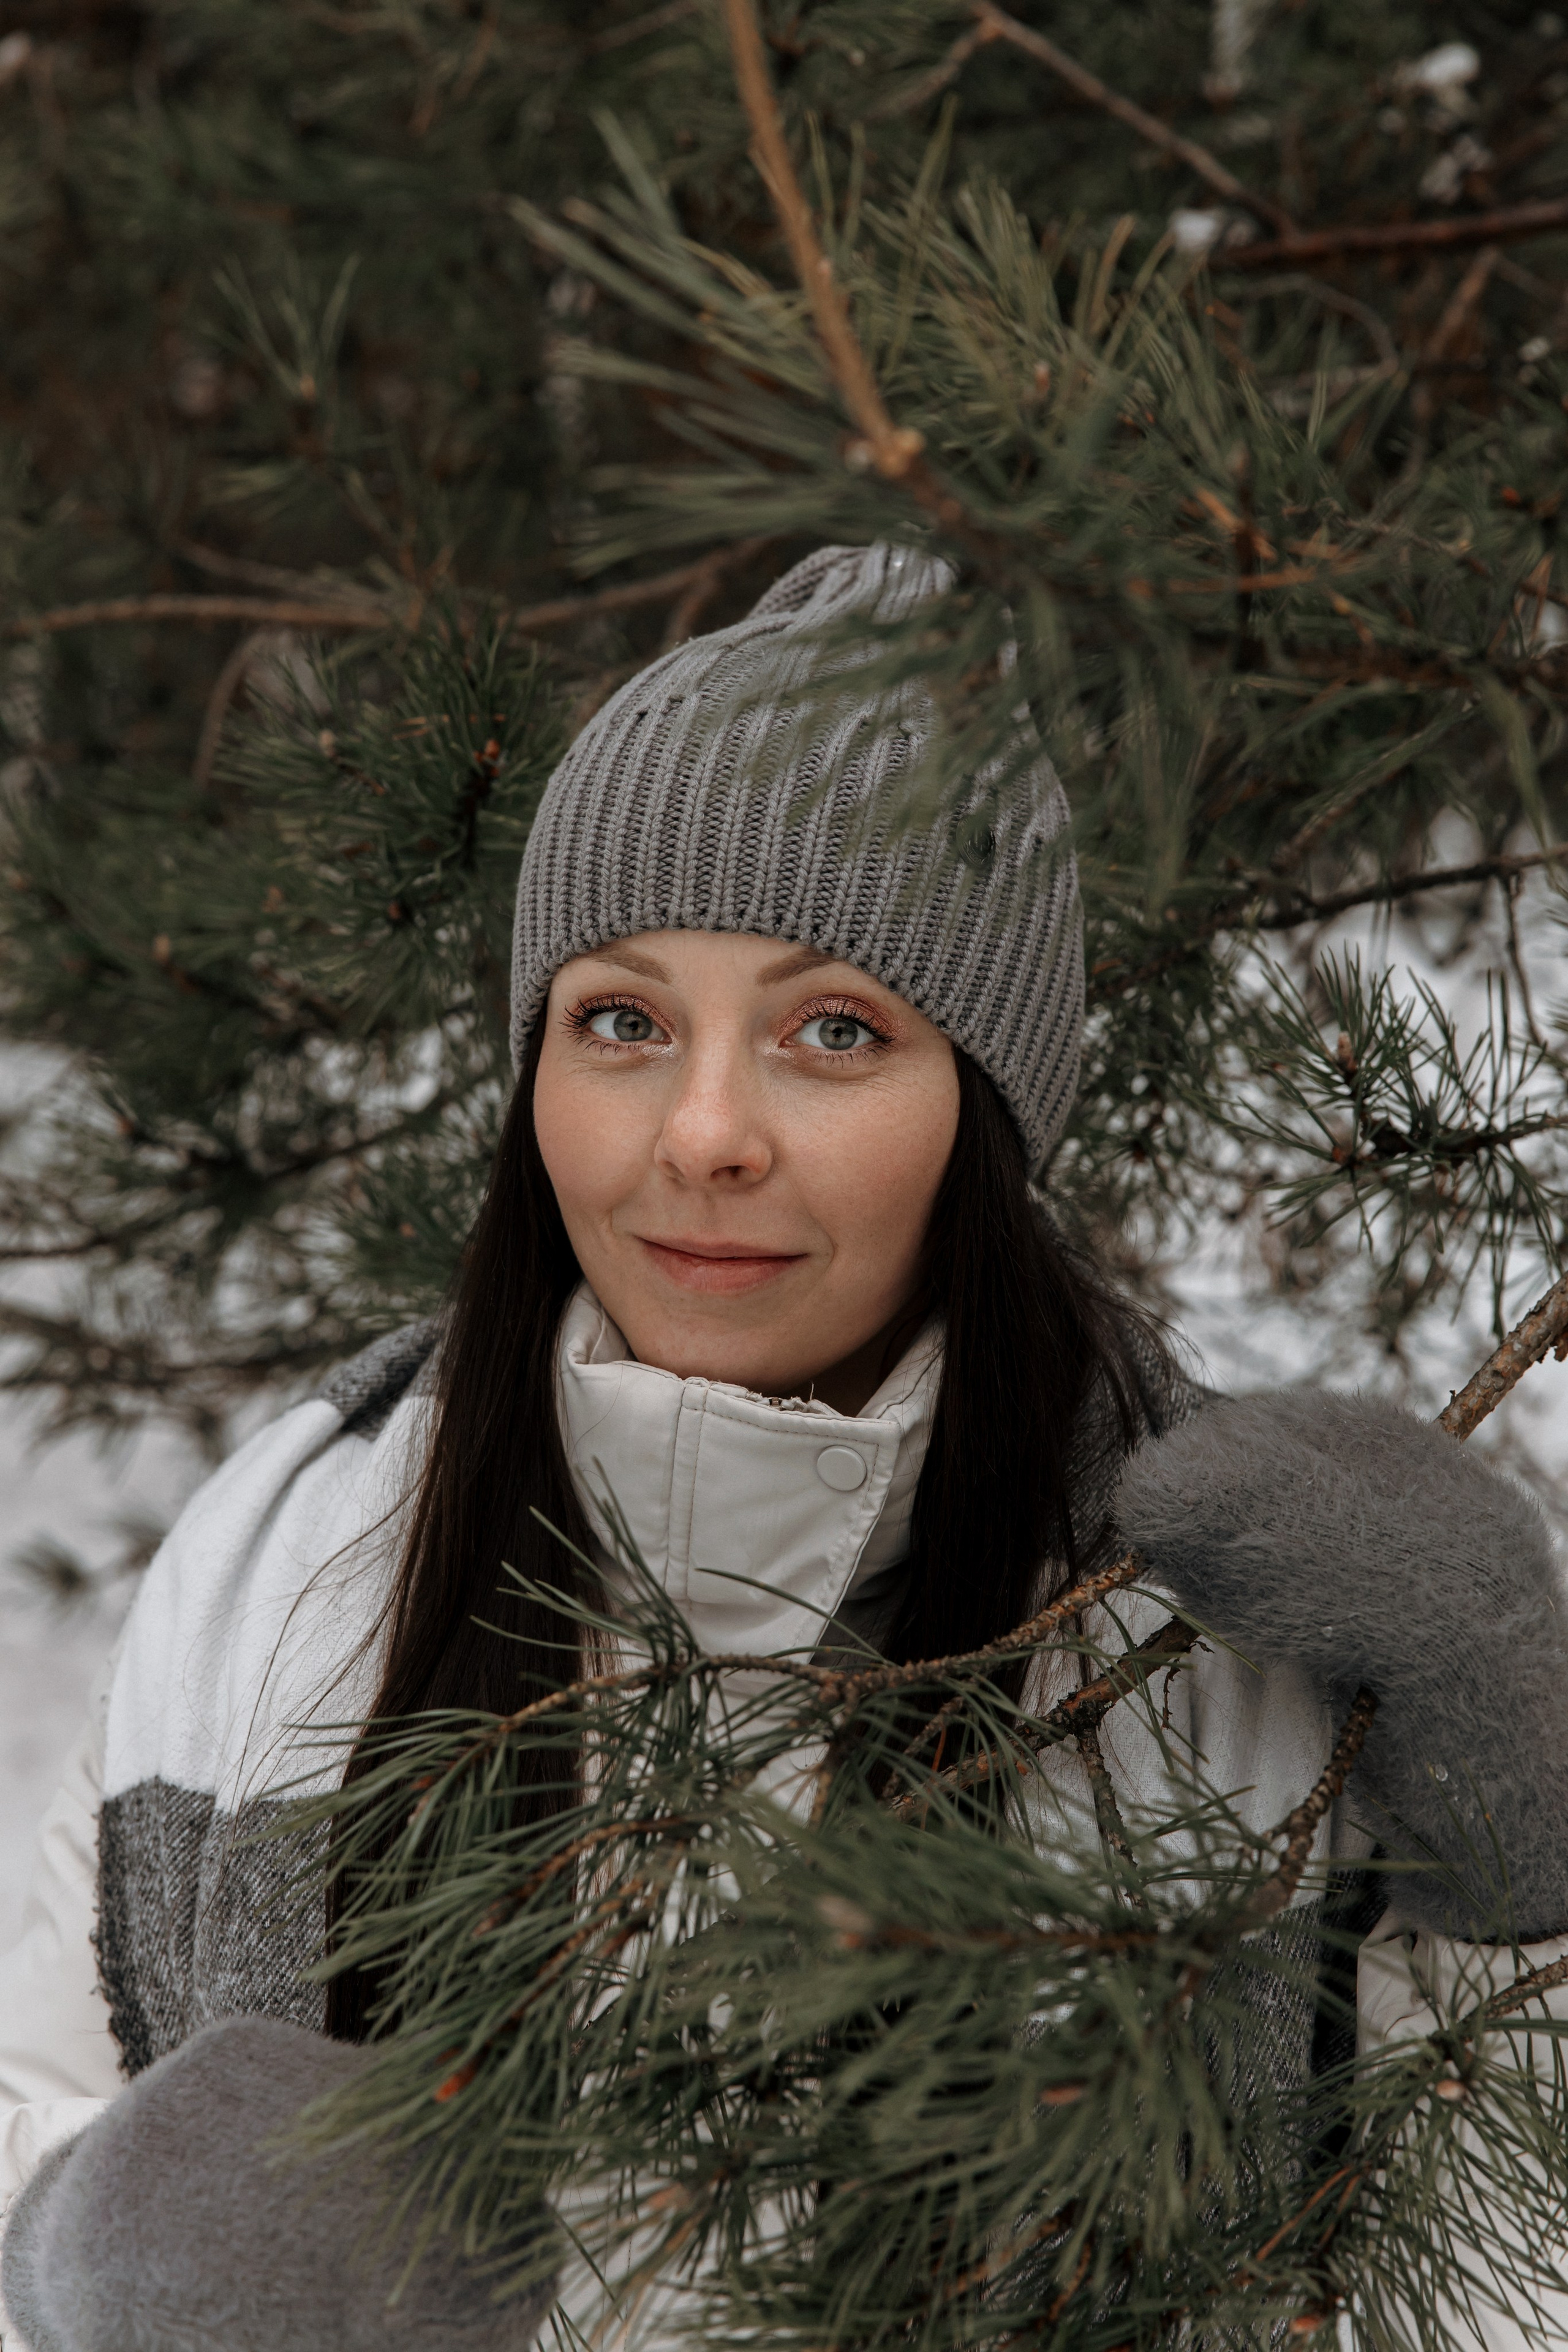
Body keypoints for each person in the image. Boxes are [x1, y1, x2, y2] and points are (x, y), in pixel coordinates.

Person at [2, 542, 1567, 2352]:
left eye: (834, 1030)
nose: (705, 1133)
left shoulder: (1199, 1628)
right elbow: (42, 2099)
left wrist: (1525, 1864)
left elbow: (1468, 2268)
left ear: (981, 1110)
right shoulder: (291, 1566)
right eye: (622, 1021)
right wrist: (92, 2243)